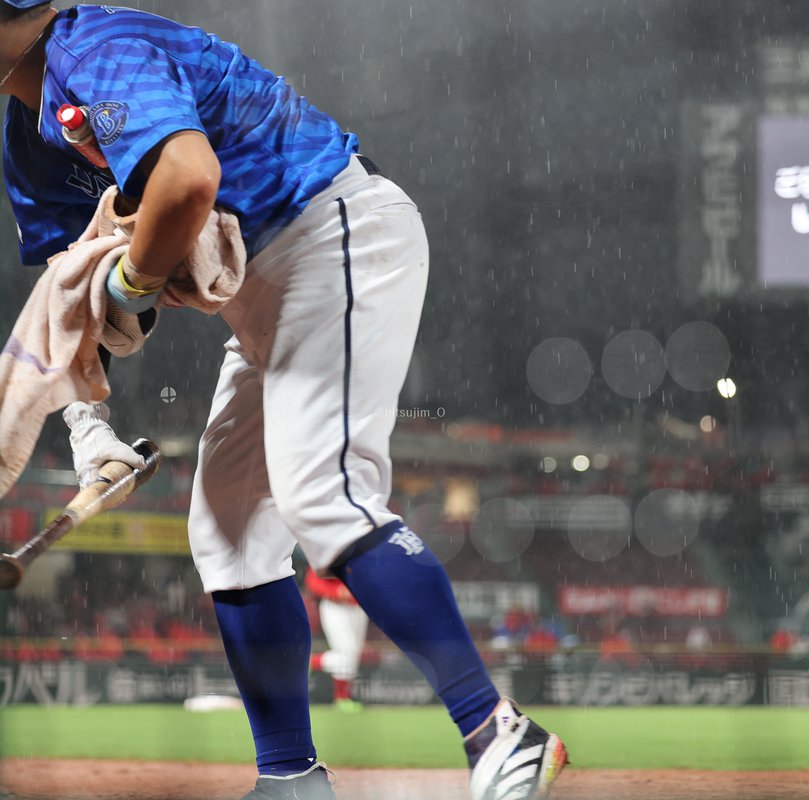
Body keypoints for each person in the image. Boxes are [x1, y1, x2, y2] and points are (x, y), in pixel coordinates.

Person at [0, 4, 568, 799]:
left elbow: (188, 180)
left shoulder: (95, 47)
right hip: (267, 291)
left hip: (331, 232)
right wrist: (89, 428)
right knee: (228, 533)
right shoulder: (25, 141)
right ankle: (290, 781)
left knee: (322, 492)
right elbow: (70, 305)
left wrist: (131, 283)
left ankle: (499, 730)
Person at [305, 568, 368, 712]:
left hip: (358, 607)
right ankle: (310, 662)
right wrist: (335, 592)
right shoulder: (329, 551)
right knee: (345, 654)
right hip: (335, 606)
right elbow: (312, 580)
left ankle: (344, 697)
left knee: (353, 656)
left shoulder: (361, 550)